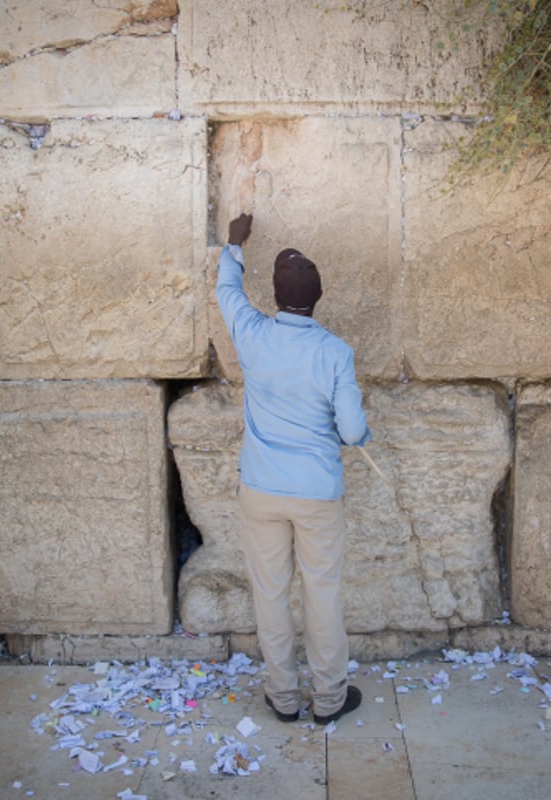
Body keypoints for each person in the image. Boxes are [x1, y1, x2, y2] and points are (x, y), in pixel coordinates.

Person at [215, 213, 370, 724]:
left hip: (260, 489)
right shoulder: (336, 352)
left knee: (271, 594)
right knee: (321, 595)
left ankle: (282, 699)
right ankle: (328, 700)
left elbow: (227, 290)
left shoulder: (253, 333)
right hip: (316, 493)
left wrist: (236, 244)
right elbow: (350, 431)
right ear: (318, 297)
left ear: (277, 297)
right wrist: (362, 434)